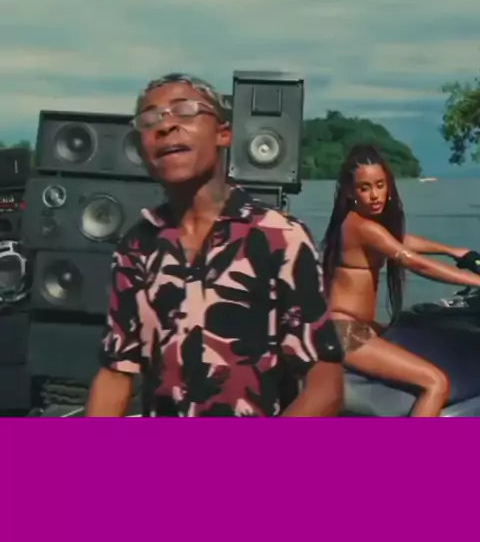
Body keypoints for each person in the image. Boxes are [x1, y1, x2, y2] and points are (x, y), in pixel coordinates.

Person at [86, 73, 344, 417]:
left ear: (223, 134)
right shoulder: (136, 246)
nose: (165, 126)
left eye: (185, 111)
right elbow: (117, 372)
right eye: (149, 120)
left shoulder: (280, 237)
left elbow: (325, 385)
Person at [321, 143, 480, 417]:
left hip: (357, 328)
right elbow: (413, 261)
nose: (375, 195)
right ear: (350, 192)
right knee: (436, 383)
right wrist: (474, 281)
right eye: (364, 188)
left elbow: (401, 241)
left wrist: (452, 250)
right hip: (344, 331)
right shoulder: (361, 226)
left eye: (380, 185)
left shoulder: (366, 226)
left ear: (389, 185)